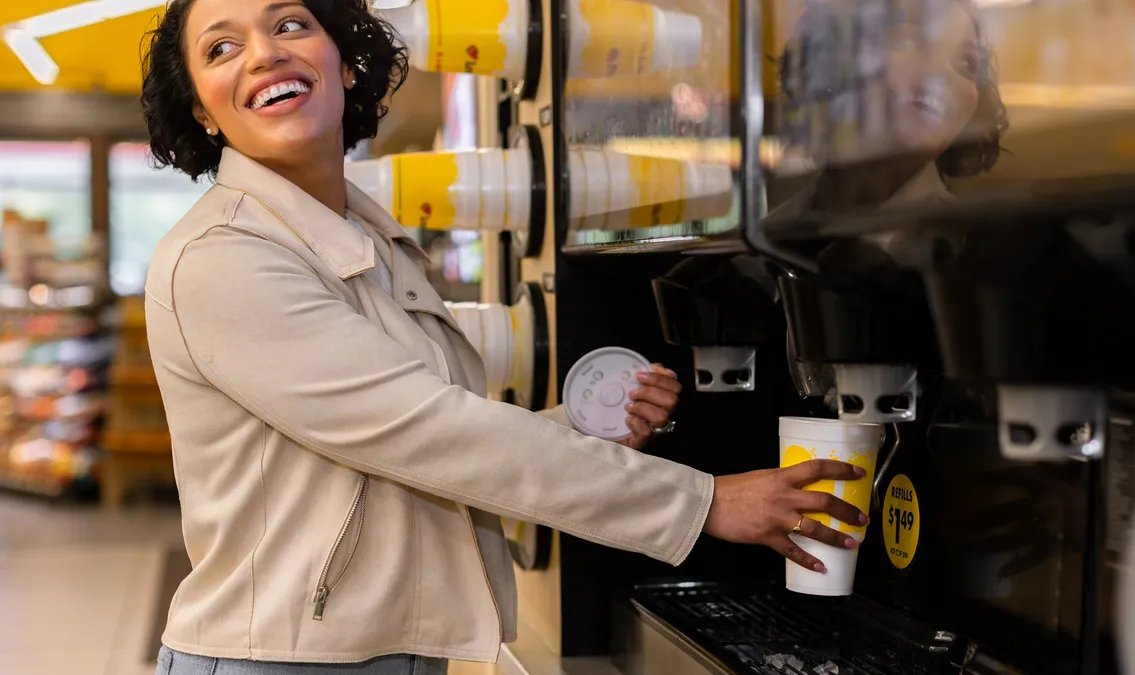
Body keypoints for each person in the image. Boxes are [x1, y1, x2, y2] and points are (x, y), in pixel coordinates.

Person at [140, 1, 869, 673]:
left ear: (346, 61)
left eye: (290, 24)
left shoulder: (369, 238)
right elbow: (426, 433)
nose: (264, 53)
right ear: (203, 111)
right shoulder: (225, 257)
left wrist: (584, 429)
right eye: (222, 47)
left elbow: (409, 444)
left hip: (367, 648)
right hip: (273, 658)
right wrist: (705, 502)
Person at [770, 0, 1009, 217]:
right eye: (909, 41)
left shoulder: (988, 251)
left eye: (966, 62)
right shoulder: (755, 248)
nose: (943, 74)